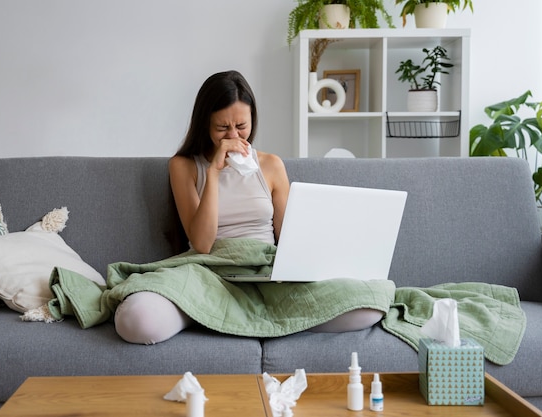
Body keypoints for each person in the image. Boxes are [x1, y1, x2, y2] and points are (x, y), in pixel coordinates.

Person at [114, 70, 382, 344]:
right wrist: (215, 172)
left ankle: (240, 316)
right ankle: (210, 310)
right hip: (209, 275)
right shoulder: (184, 166)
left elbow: (292, 241)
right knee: (136, 321)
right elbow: (202, 243)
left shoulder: (271, 165)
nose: (233, 136)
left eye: (241, 126)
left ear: (253, 119)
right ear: (204, 124)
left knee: (368, 305)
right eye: (222, 128)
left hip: (265, 274)